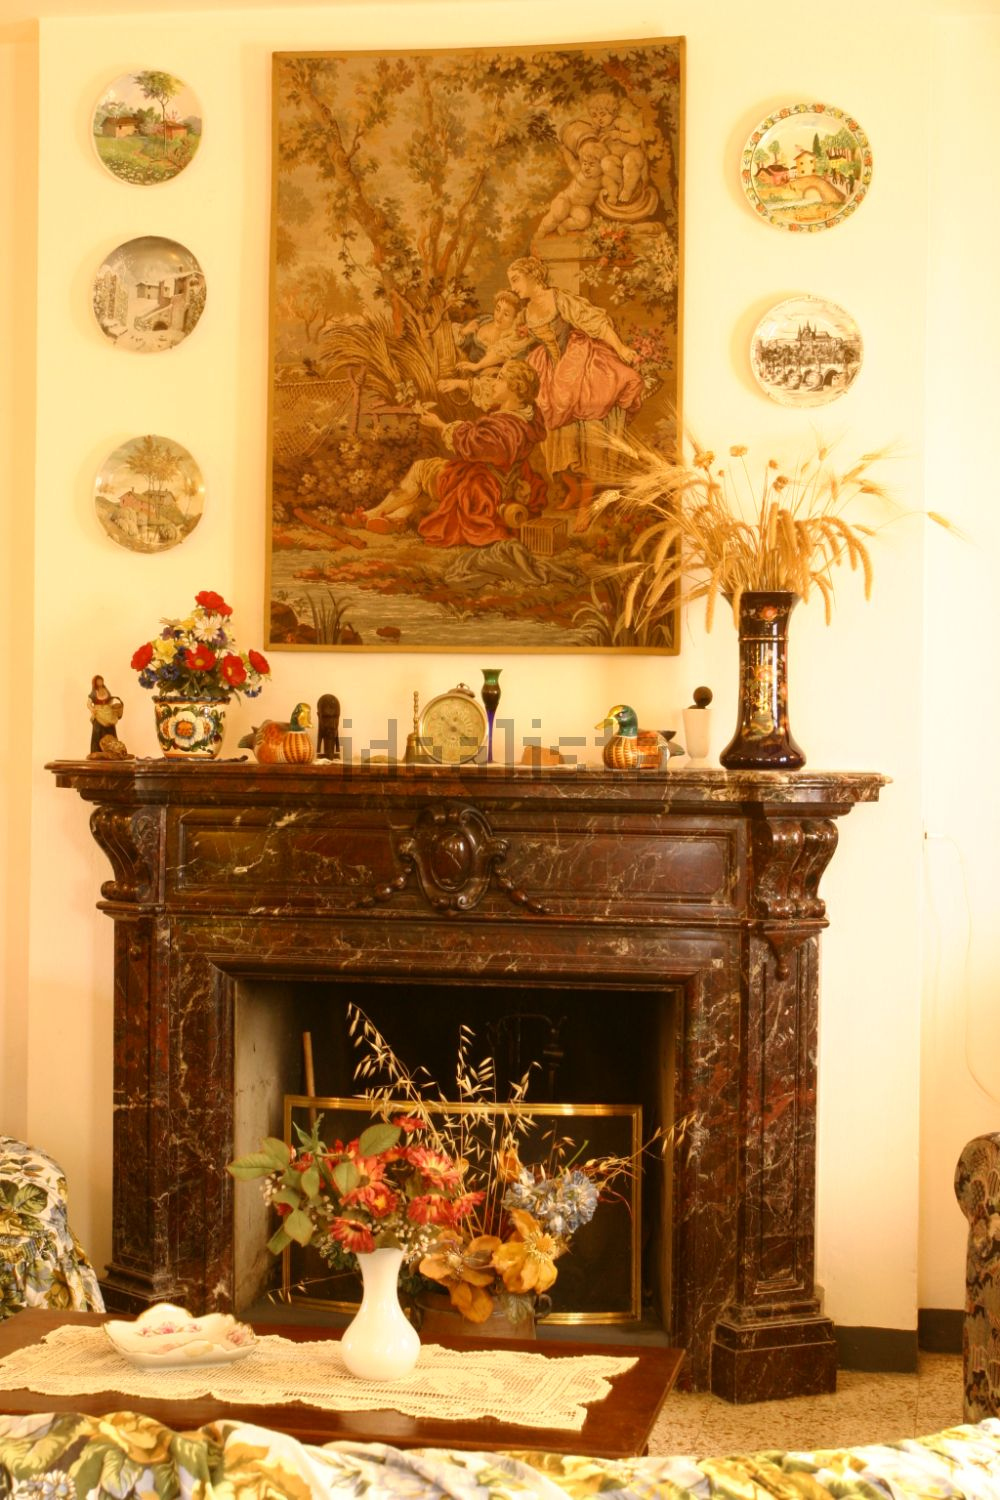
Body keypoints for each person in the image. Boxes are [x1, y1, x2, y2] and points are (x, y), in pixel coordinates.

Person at [366, 359, 547, 548]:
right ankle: (396, 517)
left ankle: (373, 513)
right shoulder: (526, 415)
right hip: (505, 480)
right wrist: (458, 384)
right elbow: (487, 391)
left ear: (515, 388)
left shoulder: (505, 429)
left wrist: (439, 425)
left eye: (500, 378)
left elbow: (473, 444)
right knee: (430, 481)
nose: (494, 382)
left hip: (483, 485)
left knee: (421, 469)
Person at [505, 254, 644, 494]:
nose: (512, 287)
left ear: (532, 275)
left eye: (516, 280)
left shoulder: (559, 299)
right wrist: (477, 366)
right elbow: (510, 345)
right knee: (548, 419)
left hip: (577, 361)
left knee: (590, 411)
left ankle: (591, 487)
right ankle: (572, 485)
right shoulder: (526, 313)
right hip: (548, 367)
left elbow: (596, 323)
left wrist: (621, 348)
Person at [536, 131, 606, 235]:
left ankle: (565, 225)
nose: (587, 167)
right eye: (584, 163)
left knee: (584, 220)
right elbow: (571, 162)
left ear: (602, 167)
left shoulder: (602, 180)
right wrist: (564, 150)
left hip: (579, 206)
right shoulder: (579, 172)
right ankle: (543, 229)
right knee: (559, 213)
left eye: (592, 164)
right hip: (566, 199)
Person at [454, 290, 531, 372]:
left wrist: (476, 366)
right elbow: (457, 341)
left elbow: (500, 356)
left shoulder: (510, 340)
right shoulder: (485, 319)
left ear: (515, 319)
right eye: (498, 309)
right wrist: (464, 332)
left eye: (506, 314)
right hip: (457, 361)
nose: (499, 317)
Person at [87, 675, 125, 758]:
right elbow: (88, 703)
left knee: (110, 731)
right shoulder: (94, 693)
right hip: (99, 713)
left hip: (108, 713)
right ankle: (96, 751)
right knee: (97, 731)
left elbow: (110, 700)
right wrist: (92, 709)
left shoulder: (106, 690)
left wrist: (112, 707)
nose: (100, 682)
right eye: (98, 681)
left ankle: (113, 751)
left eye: (101, 681)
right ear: (95, 682)